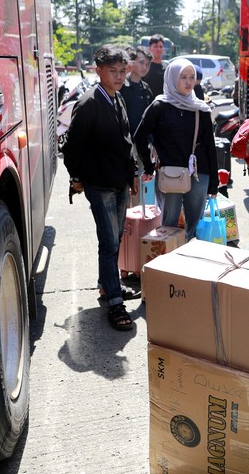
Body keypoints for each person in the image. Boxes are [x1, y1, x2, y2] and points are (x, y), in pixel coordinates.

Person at [62, 45, 139, 331]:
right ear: (99, 71)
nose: (119, 76)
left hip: (119, 182)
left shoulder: (117, 99)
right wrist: (76, 177)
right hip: (99, 184)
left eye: (123, 71)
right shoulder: (89, 103)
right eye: (113, 71)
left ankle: (107, 285)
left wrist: (132, 173)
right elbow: (72, 147)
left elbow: (127, 140)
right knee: (108, 242)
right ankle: (115, 302)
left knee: (115, 238)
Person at [134, 58, 219, 241]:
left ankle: (189, 258)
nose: (189, 82)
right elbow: (139, 136)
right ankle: (170, 259)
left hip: (199, 174)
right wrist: (148, 166)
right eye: (183, 77)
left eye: (192, 77)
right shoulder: (159, 106)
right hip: (170, 174)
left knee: (194, 228)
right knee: (169, 227)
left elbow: (210, 147)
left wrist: (214, 182)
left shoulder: (201, 108)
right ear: (172, 78)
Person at [120, 46, 153, 137]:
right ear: (131, 62)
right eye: (141, 63)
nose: (145, 67)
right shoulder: (121, 85)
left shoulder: (146, 89)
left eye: (148, 64)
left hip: (142, 139)